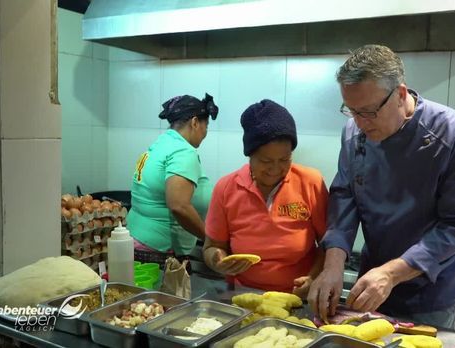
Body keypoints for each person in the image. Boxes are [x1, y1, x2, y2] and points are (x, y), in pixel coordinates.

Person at [307, 44, 455, 329]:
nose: (360, 124)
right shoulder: (353, 132)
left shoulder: (453, 134)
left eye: (369, 112)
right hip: (372, 279)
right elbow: (345, 197)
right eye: (351, 111)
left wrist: (391, 274)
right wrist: (333, 265)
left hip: (431, 290)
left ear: (400, 95)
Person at [202, 99, 329, 297]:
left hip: (297, 297)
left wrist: (314, 277)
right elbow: (211, 247)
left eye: (284, 160)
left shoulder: (310, 182)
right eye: (266, 161)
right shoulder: (226, 188)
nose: (275, 169)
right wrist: (218, 261)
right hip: (244, 296)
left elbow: (328, 244)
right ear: (249, 155)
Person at [127, 93, 219, 268]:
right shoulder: (183, 152)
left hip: (137, 241)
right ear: (194, 122)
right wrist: (210, 239)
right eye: (205, 126)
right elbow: (179, 205)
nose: (205, 133)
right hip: (160, 251)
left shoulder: (160, 145)